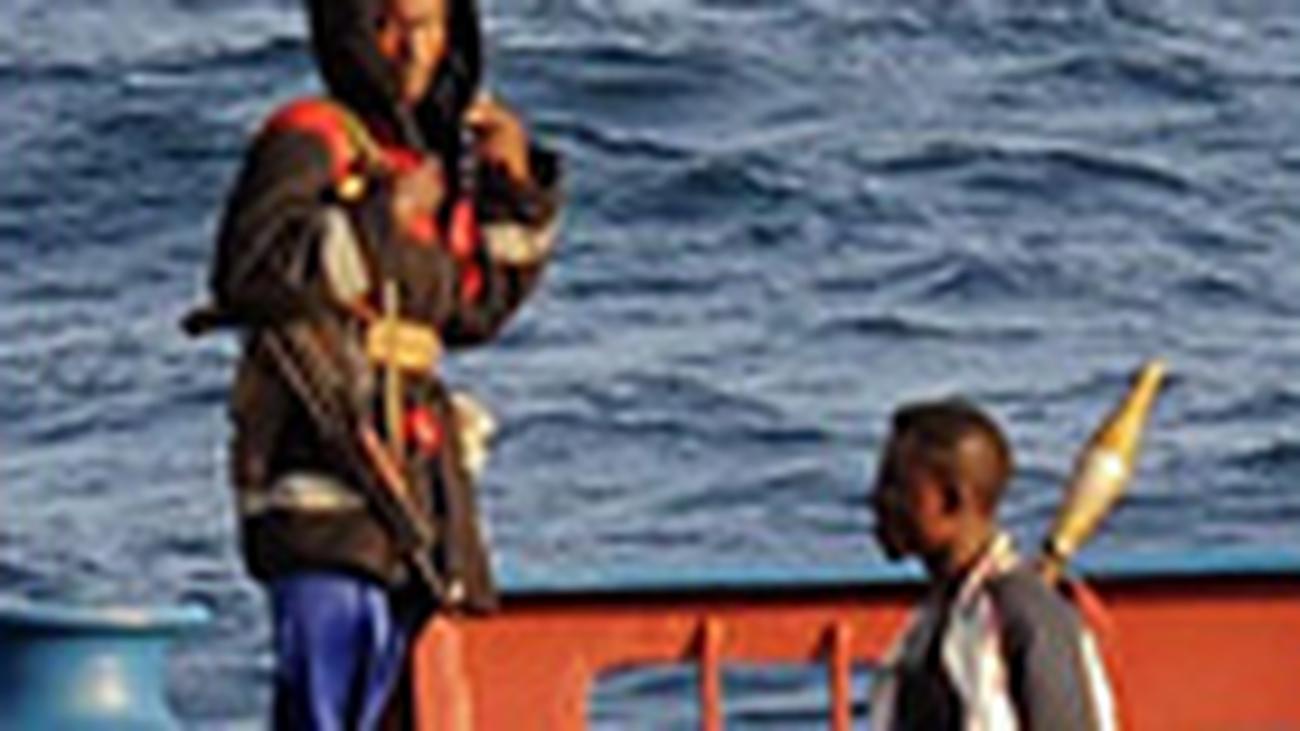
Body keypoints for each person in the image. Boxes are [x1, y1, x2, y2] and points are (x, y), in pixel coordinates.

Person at [184, 0, 561, 727]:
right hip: (323, 471)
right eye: (390, 24)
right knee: (325, 693)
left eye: (429, 26)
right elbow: (249, 269)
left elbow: (474, 309)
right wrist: (377, 220)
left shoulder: (428, 164)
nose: (411, 49)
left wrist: (513, 189)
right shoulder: (309, 138)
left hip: (413, 492)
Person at [867, 400, 1117, 731]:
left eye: (896, 488)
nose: (877, 501)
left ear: (951, 501)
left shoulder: (1027, 614)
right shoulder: (937, 619)